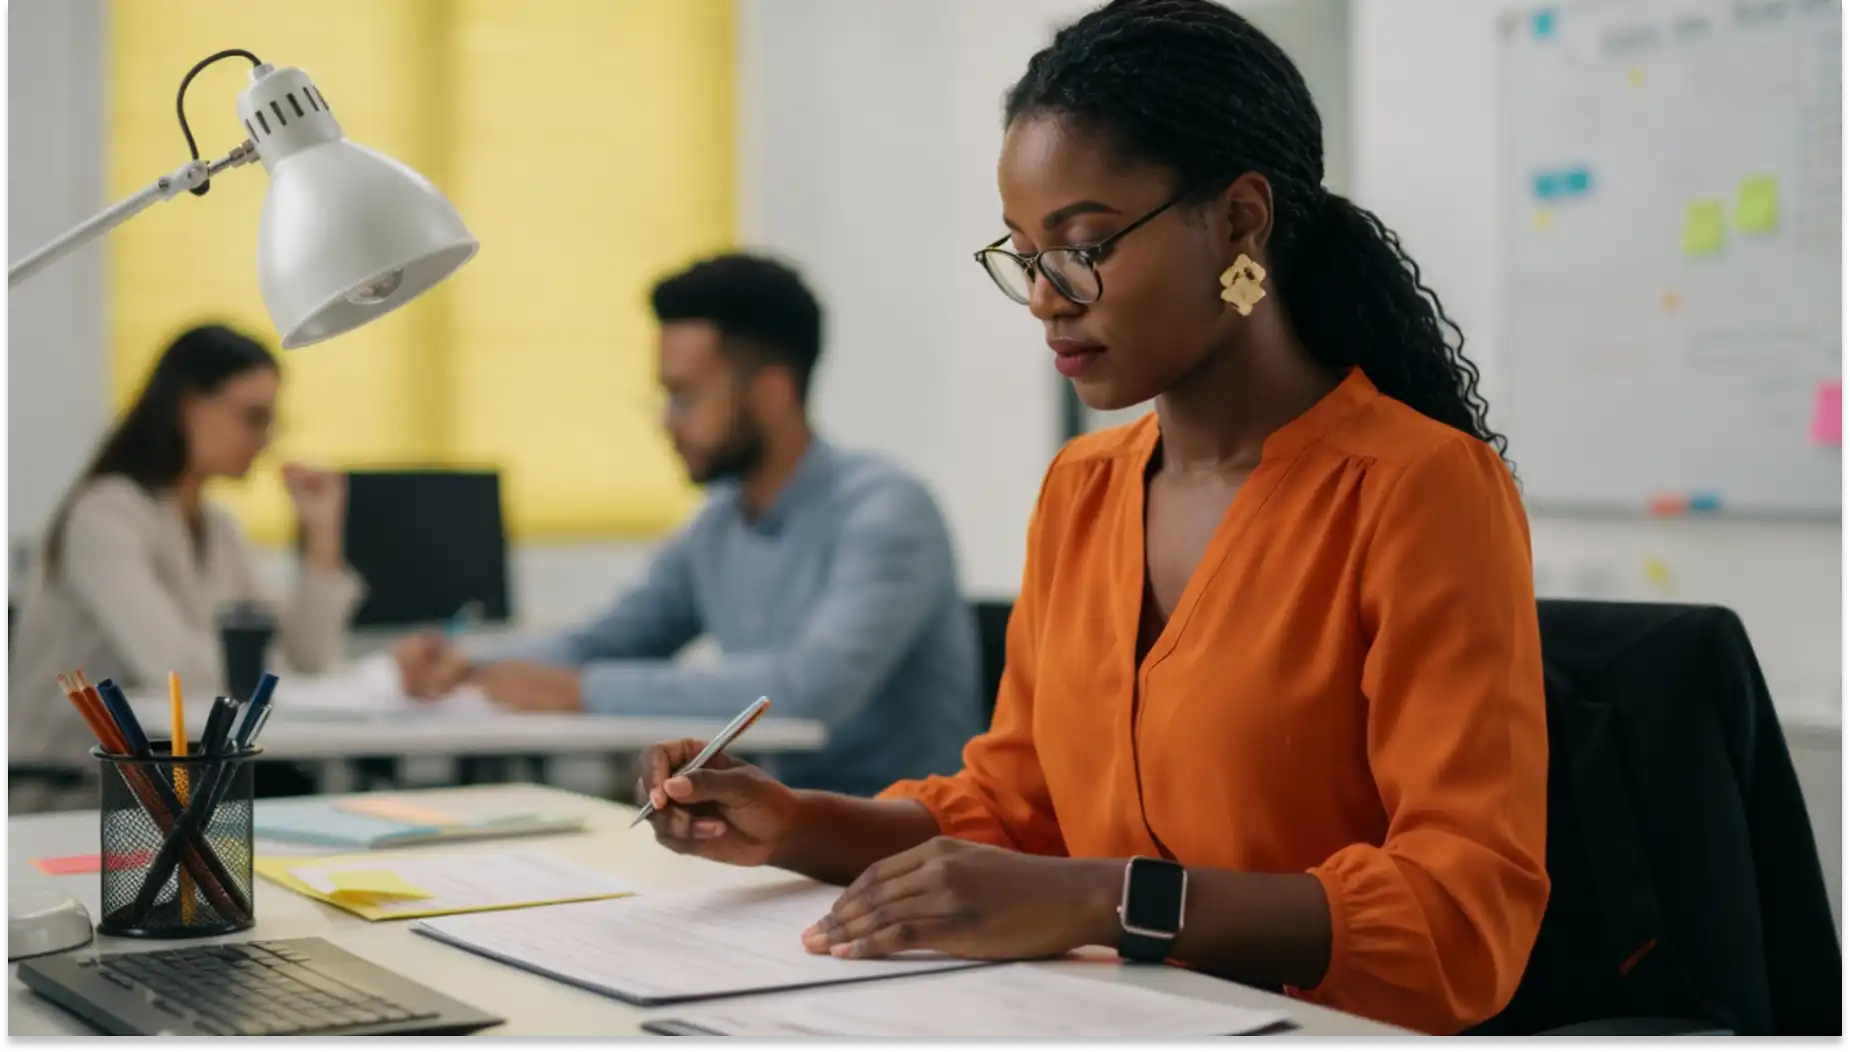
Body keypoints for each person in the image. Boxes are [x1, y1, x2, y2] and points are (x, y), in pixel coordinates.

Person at [631, 0, 1550, 1036]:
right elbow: (1016, 803)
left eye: (1084, 244)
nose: (1044, 298)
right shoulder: (1083, 487)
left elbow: (1462, 911)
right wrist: (795, 822)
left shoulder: (1416, 487)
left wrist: (1101, 898)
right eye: (1023, 254)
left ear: (1241, 224)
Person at [395, 253, 982, 797]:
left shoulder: (888, 510)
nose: (666, 423)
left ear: (772, 393)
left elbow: (809, 690)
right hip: (783, 831)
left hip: (898, 840)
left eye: (684, 397)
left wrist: (580, 691)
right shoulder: (720, 521)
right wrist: (470, 663)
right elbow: (610, 638)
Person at [13, 324, 362, 808]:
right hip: (71, 785)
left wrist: (321, 532)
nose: (266, 440)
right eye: (254, 417)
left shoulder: (217, 525)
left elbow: (307, 659)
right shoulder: (105, 513)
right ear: (188, 405)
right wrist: (262, 664)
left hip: (168, 781)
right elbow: (175, 672)